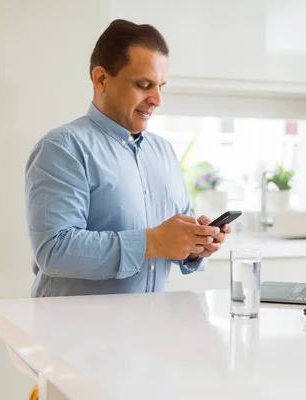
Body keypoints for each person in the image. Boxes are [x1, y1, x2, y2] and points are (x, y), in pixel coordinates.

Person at [25, 19, 231, 297]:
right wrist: (152, 242)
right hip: (72, 334)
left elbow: (171, 241)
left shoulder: (164, 152)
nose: (157, 99)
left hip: (147, 327)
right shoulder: (62, 148)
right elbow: (54, 250)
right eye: (144, 84)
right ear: (101, 79)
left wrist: (195, 245)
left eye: (161, 86)